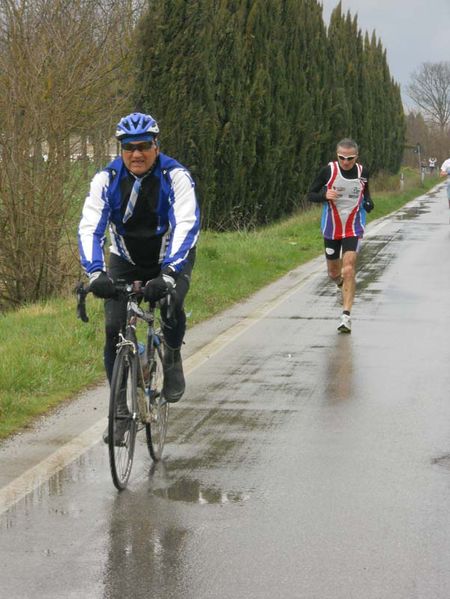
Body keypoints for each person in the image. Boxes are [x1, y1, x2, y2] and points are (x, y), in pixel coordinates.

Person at [78, 112, 200, 429]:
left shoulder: (176, 177)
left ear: (156, 146)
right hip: (125, 257)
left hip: (168, 256)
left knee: (172, 306)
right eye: (129, 147)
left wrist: (170, 274)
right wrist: (95, 273)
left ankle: (171, 354)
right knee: (113, 327)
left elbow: (187, 225)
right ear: (120, 149)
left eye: (143, 146)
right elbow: (90, 228)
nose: (136, 154)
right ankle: (119, 410)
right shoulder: (106, 180)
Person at [307, 138, 373, 333]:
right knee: (334, 273)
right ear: (337, 156)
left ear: (356, 157)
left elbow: (366, 195)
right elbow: (310, 194)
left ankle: (346, 316)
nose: (346, 162)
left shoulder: (363, 173)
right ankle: (343, 286)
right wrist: (323, 196)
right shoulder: (328, 171)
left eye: (350, 158)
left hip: (353, 226)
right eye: (342, 157)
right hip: (331, 228)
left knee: (349, 268)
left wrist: (369, 203)